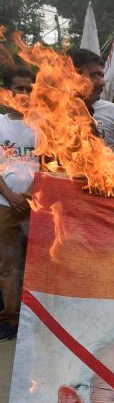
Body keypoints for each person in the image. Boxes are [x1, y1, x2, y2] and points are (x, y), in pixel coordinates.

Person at [0, 66, 37, 341]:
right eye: (19, 88)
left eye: (29, 88)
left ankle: (36, 318)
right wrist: (11, 196)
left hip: (38, 206)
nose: (24, 94)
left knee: (39, 264)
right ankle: (10, 319)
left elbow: (48, 164)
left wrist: (30, 194)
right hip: (4, 205)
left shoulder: (43, 124)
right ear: (8, 92)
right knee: (9, 265)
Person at [67, 48, 114, 148]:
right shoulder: (54, 116)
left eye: (102, 75)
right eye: (94, 75)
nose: (102, 82)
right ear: (73, 76)